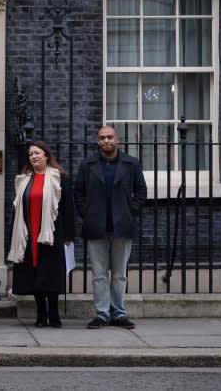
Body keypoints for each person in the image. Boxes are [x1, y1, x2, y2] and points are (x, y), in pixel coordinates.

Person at [74, 125, 146, 329]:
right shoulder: (87, 164)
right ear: (98, 141)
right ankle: (102, 314)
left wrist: (130, 211)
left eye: (110, 137)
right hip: (96, 226)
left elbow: (141, 191)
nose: (106, 141)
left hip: (122, 226)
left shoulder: (131, 163)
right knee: (98, 274)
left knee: (119, 274)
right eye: (102, 138)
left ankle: (119, 314)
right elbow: (78, 193)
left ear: (118, 139)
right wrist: (87, 215)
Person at [8, 141, 75, 328]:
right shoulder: (24, 179)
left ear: (46, 155)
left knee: (51, 274)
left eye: (37, 153)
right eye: (30, 154)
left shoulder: (59, 178)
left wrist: (69, 235)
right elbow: (17, 208)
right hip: (29, 232)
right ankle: (40, 314)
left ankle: (53, 314)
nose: (34, 157)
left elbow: (68, 207)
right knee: (35, 273)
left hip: (52, 233)